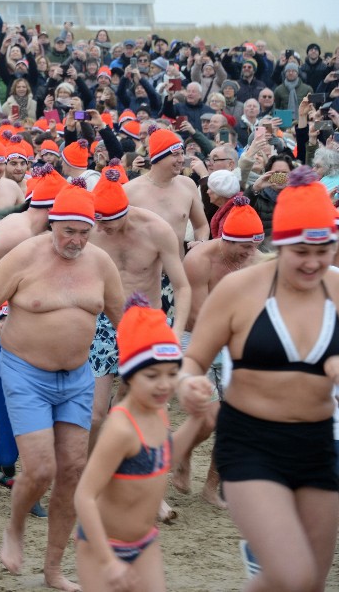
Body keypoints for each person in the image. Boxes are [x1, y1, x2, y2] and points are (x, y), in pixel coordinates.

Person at [178, 166, 339, 592]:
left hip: (318, 445)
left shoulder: (338, 291)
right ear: (279, 243)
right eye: (300, 251)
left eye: (323, 250)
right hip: (251, 444)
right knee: (293, 574)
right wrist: (191, 385)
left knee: (312, 584)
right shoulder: (240, 290)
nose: (312, 262)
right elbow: (194, 360)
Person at [0, 182, 125, 592]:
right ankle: (14, 528)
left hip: (77, 377)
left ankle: (53, 570)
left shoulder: (101, 263)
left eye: (84, 232)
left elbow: (125, 318)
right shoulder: (24, 256)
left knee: (72, 468)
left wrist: (149, 362)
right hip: (25, 372)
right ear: (52, 224)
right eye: (68, 231)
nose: (76, 240)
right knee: (41, 468)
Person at [74, 294, 179, 592]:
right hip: (101, 548)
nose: (164, 384)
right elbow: (84, 496)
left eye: (172, 373)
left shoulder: (159, 413)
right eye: (153, 375)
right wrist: (108, 561)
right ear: (130, 375)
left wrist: (197, 419)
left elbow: (165, 458)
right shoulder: (119, 428)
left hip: (145, 543)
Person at [88, 170, 191, 447]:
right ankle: (86, 471)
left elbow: (182, 286)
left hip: (147, 321)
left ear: (126, 212)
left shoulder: (155, 230)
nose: (102, 228)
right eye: (98, 221)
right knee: (96, 415)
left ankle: (124, 463)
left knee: (139, 407)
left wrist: (176, 331)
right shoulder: (90, 231)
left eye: (109, 222)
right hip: (104, 323)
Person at [174, 197, 265, 508]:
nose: (248, 254)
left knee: (233, 420)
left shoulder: (256, 260)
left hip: (234, 341)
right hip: (194, 338)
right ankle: (183, 453)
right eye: (243, 247)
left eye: (254, 246)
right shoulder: (199, 260)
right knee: (208, 418)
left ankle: (212, 485)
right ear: (225, 239)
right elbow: (199, 316)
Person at [124, 129, 209, 256]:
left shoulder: (188, 185)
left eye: (182, 153)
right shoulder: (129, 191)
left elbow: (201, 226)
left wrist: (201, 242)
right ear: (158, 158)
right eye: (175, 155)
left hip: (178, 270)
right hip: (144, 272)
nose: (181, 159)